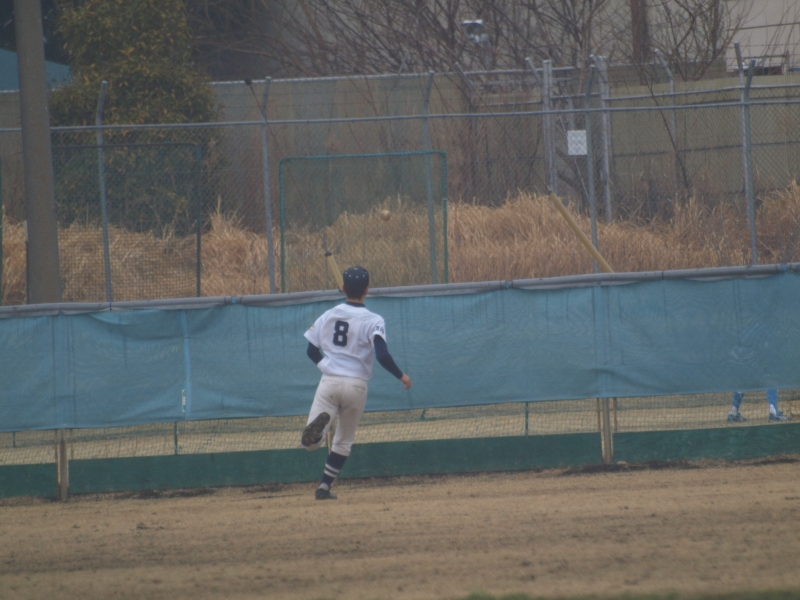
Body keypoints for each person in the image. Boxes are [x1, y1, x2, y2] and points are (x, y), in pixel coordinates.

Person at [301, 266, 412, 500]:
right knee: (343, 442)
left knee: (310, 445)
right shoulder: (374, 319)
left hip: (329, 382)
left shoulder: (329, 314)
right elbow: (382, 355)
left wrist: (326, 366)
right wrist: (401, 375)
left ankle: (317, 436)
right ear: (367, 290)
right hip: (356, 385)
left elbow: (311, 350)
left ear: (343, 288)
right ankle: (324, 487)